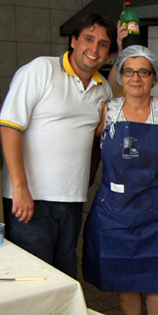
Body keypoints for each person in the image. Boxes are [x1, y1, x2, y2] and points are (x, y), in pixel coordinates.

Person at [82, 45, 158, 315]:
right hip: (115, 208)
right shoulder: (107, 110)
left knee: (157, 273)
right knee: (122, 272)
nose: (136, 77)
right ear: (121, 76)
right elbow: (96, 152)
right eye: (129, 71)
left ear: (154, 78)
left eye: (143, 71)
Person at [0, 14, 116, 278]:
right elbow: (9, 126)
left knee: (63, 273)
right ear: (73, 41)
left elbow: (97, 142)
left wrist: (87, 176)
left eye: (103, 44)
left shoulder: (102, 90)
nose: (94, 49)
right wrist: (19, 187)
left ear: (108, 54)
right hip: (32, 197)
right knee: (33, 278)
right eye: (88, 39)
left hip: (72, 199)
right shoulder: (41, 70)